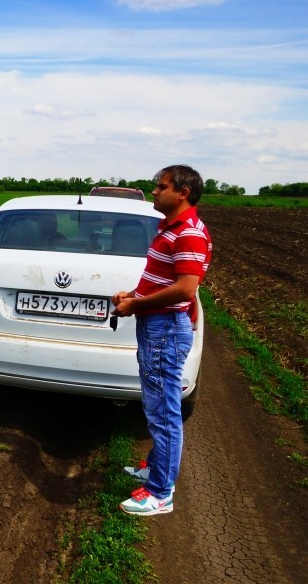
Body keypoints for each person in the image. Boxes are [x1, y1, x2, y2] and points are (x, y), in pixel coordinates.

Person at [111, 164, 212, 516]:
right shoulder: (168, 228)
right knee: (157, 405)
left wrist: (137, 304)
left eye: (161, 186)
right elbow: (160, 277)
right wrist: (133, 294)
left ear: (182, 193)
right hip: (157, 327)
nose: (154, 191)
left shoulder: (188, 233)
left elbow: (185, 288)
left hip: (166, 329)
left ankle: (159, 492)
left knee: (163, 412)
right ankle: (155, 467)